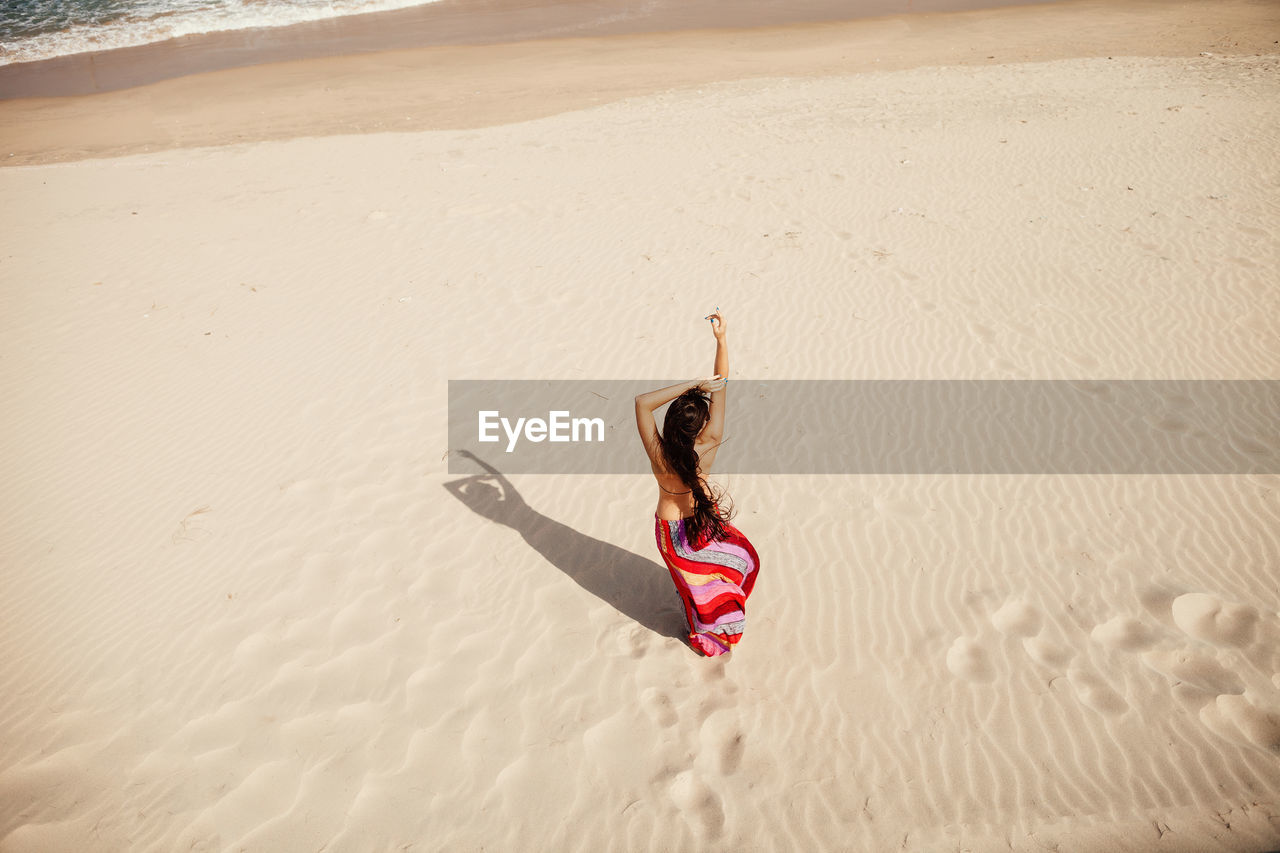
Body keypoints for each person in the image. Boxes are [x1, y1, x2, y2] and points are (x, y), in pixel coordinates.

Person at [634, 309, 760, 656]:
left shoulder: (658, 454)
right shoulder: (709, 445)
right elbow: (722, 386)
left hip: (672, 534)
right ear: (700, 426)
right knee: (727, 571)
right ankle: (721, 626)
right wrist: (721, 340)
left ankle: (701, 630)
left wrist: (693, 385)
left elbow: (642, 403)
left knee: (691, 589)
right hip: (703, 523)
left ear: (671, 422)